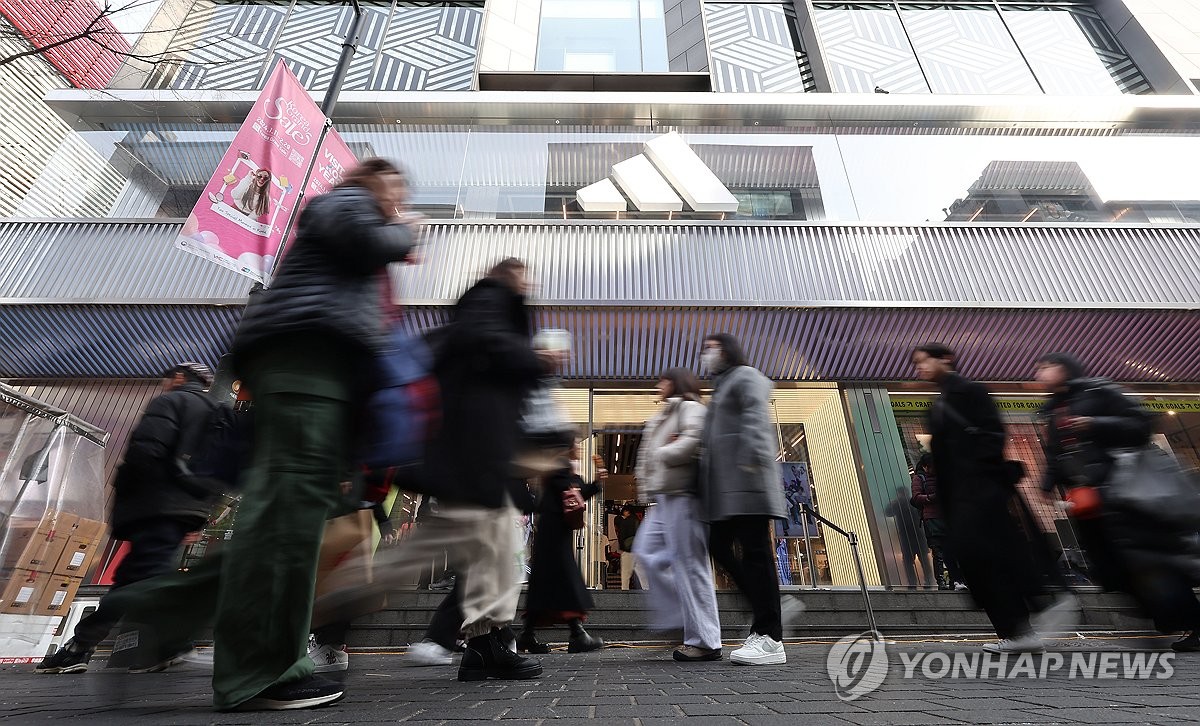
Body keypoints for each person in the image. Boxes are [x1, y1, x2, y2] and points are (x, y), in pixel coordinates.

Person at [98, 158, 422, 711]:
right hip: (306, 365)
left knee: (295, 520)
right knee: (287, 519)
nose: (399, 197)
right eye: (393, 186)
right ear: (372, 182)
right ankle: (262, 670)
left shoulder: (354, 222)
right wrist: (402, 231)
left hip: (325, 376)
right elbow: (360, 240)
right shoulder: (344, 205)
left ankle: (164, 608)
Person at [316, 258, 563, 682]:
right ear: (511, 277)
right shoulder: (489, 303)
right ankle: (331, 598)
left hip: (478, 458)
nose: (530, 283)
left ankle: (485, 645)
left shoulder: (493, 315)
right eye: (525, 276)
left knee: (495, 548)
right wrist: (534, 360)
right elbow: (487, 347)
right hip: (470, 457)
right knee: (455, 547)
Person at [36, 362, 218, 675]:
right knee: (134, 579)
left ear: (177, 378)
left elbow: (145, 451)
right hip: (182, 509)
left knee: (146, 580)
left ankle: (169, 641)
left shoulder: (171, 401)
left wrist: (130, 497)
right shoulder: (218, 414)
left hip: (155, 504)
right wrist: (198, 516)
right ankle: (82, 646)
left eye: (166, 379)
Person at [911, 343, 1076, 654]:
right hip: (960, 498)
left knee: (997, 557)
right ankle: (1014, 629)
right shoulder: (936, 407)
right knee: (979, 563)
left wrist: (975, 474)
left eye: (924, 361)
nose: (920, 368)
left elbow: (993, 436)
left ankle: (1031, 616)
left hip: (981, 493)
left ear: (946, 358)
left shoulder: (971, 392)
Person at [1035, 352, 1200, 652]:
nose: (1041, 373)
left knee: (1146, 560)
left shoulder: (1099, 391)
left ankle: (1188, 620)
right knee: (1112, 565)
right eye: (1039, 368)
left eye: (1048, 366)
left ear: (1067, 369)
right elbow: (1056, 453)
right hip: (1089, 499)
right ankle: (1163, 614)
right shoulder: (1051, 410)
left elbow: (1140, 424)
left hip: (1125, 491)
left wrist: (1095, 423)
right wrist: (1046, 483)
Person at [698, 333, 789, 666]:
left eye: (712, 348)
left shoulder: (745, 376)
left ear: (727, 351)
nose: (707, 354)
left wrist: (751, 459)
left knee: (756, 554)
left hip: (748, 481)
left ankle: (770, 636)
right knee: (719, 547)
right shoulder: (722, 385)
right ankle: (765, 611)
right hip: (729, 489)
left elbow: (754, 418)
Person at [634, 367, 723, 662]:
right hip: (664, 497)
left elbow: (695, 439)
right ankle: (678, 618)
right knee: (646, 551)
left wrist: (664, 451)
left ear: (674, 384)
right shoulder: (666, 413)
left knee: (690, 565)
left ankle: (706, 641)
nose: (658, 384)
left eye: (663, 380)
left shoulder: (689, 407)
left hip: (684, 495)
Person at [516, 445, 605, 654]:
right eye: (575, 444)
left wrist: (596, 483)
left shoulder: (559, 466)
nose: (579, 448)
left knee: (547, 581)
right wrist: (593, 483)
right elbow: (572, 489)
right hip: (553, 531)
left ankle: (528, 634)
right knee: (564, 577)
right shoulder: (559, 465)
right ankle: (577, 633)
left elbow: (576, 490)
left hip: (554, 530)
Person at [909, 453, 964, 590]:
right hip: (931, 519)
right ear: (925, 466)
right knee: (938, 551)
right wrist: (932, 497)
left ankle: (955, 581)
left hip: (947, 518)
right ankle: (941, 582)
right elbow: (916, 498)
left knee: (953, 551)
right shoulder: (919, 478)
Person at [885, 486, 932, 588]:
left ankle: (912, 583)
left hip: (906, 537)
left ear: (899, 494)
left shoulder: (898, 504)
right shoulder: (914, 502)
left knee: (908, 562)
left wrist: (892, 502)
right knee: (923, 560)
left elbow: (887, 512)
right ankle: (928, 581)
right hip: (918, 535)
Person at [615, 506, 642, 590]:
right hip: (639, 550)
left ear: (627, 511)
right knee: (642, 574)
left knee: (626, 574)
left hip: (628, 551)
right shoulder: (638, 521)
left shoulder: (625, 521)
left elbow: (621, 535)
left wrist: (622, 548)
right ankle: (646, 590)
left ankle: (625, 591)